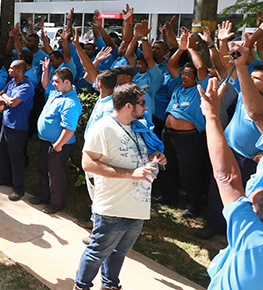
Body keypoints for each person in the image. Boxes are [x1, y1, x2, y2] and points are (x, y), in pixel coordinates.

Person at [75, 83, 166, 290]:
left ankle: (110, 285)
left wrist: (154, 157)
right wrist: (130, 174)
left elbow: (138, 153)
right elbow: (87, 163)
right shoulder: (103, 128)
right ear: (128, 106)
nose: (145, 107)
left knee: (119, 252)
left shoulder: (138, 127)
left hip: (137, 205)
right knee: (98, 251)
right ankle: (81, 286)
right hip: (112, 207)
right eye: (142, 103)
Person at [198, 49, 263, 289]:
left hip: (246, 161)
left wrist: (211, 116)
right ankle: (215, 225)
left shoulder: (251, 233)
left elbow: (228, 179)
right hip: (232, 151)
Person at [153, 31, 211, 219]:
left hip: (188, 138)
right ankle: (168, 197)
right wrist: (181, 48)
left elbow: (201, 67)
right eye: (183, 74)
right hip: (168, 135)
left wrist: (192, 49)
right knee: (167, 166)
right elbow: (171, 64)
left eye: (188, 74)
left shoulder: (199, 88)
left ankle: (194, 206)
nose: (184, 77)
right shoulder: (177, 86)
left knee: (190, 171)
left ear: (196, 77)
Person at [31, 67, 82, 214]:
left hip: (58, 145)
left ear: (67, 82)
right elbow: (46, 84)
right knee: (44, 171)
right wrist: (45, 71)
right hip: (46, 141)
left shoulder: (71, 103)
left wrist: (58, 146)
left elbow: (69, 129)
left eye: (56, 81)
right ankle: (42, 195)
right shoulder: (56, 93)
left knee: (56, 175)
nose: (53, 84)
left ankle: (56, 204)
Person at [0, 60, 35, 201]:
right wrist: (6, 99)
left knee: (16, 157)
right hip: (6, 123)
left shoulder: (27, 86)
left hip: (18, 127)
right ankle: (5, 178)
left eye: (11, 68)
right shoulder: (11, 83)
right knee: (3, 152)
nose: (8, 70)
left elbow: (13, 102)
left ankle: (18, 188)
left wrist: (5, 99)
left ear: (19, 71)